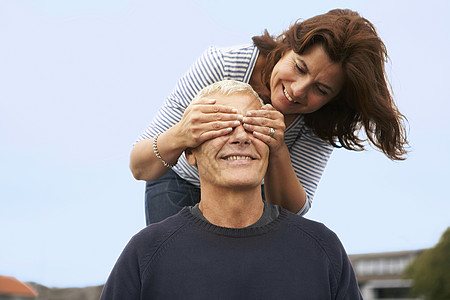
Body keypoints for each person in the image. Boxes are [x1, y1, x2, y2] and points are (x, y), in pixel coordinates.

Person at [130, 9, 408, 224]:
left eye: (320, 89)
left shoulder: (323, 119)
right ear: (287, 44)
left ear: (334, 100)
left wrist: (278, 149)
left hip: (255, 196)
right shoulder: (222, 64)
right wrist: (181, 135)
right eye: (299, 67)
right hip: (182, 182)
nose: (297, 91)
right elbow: (139, 167)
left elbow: (289, 217)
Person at [101, 81, 362, 299]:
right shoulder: (146, 252)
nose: (240, 137)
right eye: (221, 126)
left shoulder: (322, 249)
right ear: (190, 152)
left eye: (253, 126)